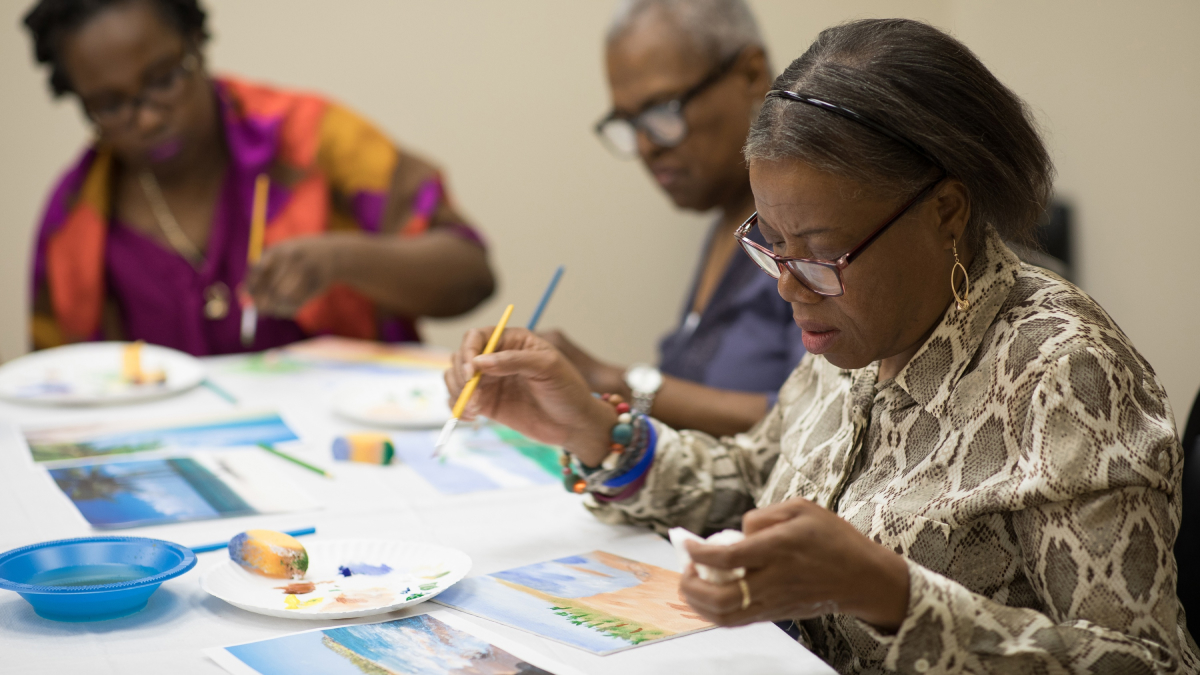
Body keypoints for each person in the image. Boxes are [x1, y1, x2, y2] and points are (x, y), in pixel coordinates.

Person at [447, 18, 1199, 673]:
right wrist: (598, 432)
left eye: (818, 252)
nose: (788, 286)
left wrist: (891, 594)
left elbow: (1144, 662)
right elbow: (751, 483)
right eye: (771, 246)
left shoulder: (1065, 370)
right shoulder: (852, 330)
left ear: (945, 209)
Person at [24, 0, 494, 355]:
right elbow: (56, 395)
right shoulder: (75, 222)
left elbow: (471, 274)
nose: (147, 119)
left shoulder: (311, 139)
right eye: (110, 105)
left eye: (164, 79)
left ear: (197, 43)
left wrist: (342, 259)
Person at [546, 0, 805, 438]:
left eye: (663, 110)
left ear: (751, 75)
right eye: (628, 123)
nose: (647, 146)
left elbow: (818, 420)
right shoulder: (728, 216)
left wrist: (610, 380)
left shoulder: (815, 229)